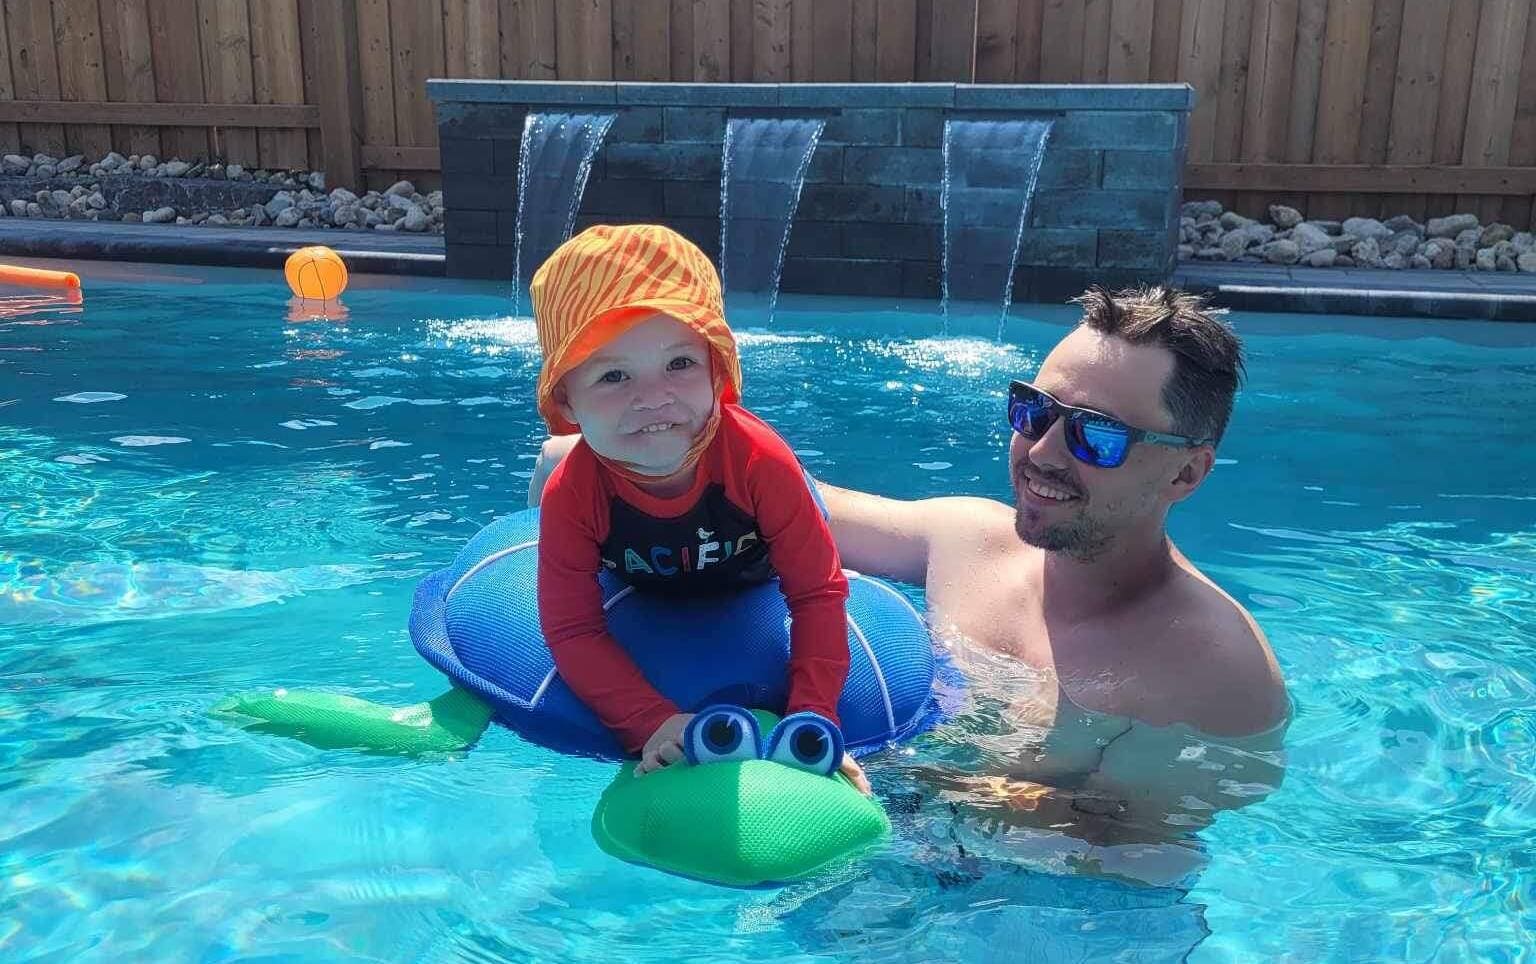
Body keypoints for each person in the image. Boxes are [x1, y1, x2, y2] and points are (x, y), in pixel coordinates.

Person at [531, 283, 1287, 852]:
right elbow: (782, 501)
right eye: (1033, 411)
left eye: (1099, 439)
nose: (1045, 453)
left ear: (1187, 475)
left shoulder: (1219, 676)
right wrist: (615, 449)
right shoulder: (963, 538)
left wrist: (898, 787)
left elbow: (1128, 864)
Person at [529, 223, 869, 793]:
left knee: (813, 519)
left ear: (718, 369)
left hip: (750, 556)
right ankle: (551, 454)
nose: (652, 396)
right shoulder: (574, 496)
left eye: (680, 364)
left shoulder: (761, 463)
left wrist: (815, 716)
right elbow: (570, 629)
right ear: (565, 398)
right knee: (558, 475)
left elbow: (816, 594)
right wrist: (651, 721)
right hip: (641, 562)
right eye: (614, 374)